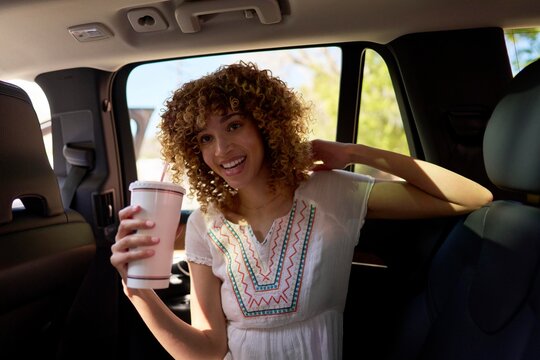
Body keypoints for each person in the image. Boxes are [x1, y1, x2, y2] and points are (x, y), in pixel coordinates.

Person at [110, 61, 493, 359]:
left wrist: (357, 152)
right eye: (205, 138)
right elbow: (208, 351)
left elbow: (472, 197)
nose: (221, 150)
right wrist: (138, 293)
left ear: (265, 126)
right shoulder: (203, 224)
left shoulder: (332, 192)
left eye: (234, 125)